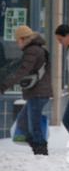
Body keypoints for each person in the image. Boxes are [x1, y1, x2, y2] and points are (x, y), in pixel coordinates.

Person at [0, 25, 53, 155]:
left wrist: (4, 86)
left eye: (18, 39)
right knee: (23, 124)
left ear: (24, 38)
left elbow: (23, 71)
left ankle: (41, 153)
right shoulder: (36, 49)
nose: (17, 43)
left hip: (38, 93)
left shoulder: (33, 50)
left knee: (34, 126)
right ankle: (37, 148)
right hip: (37, 93)